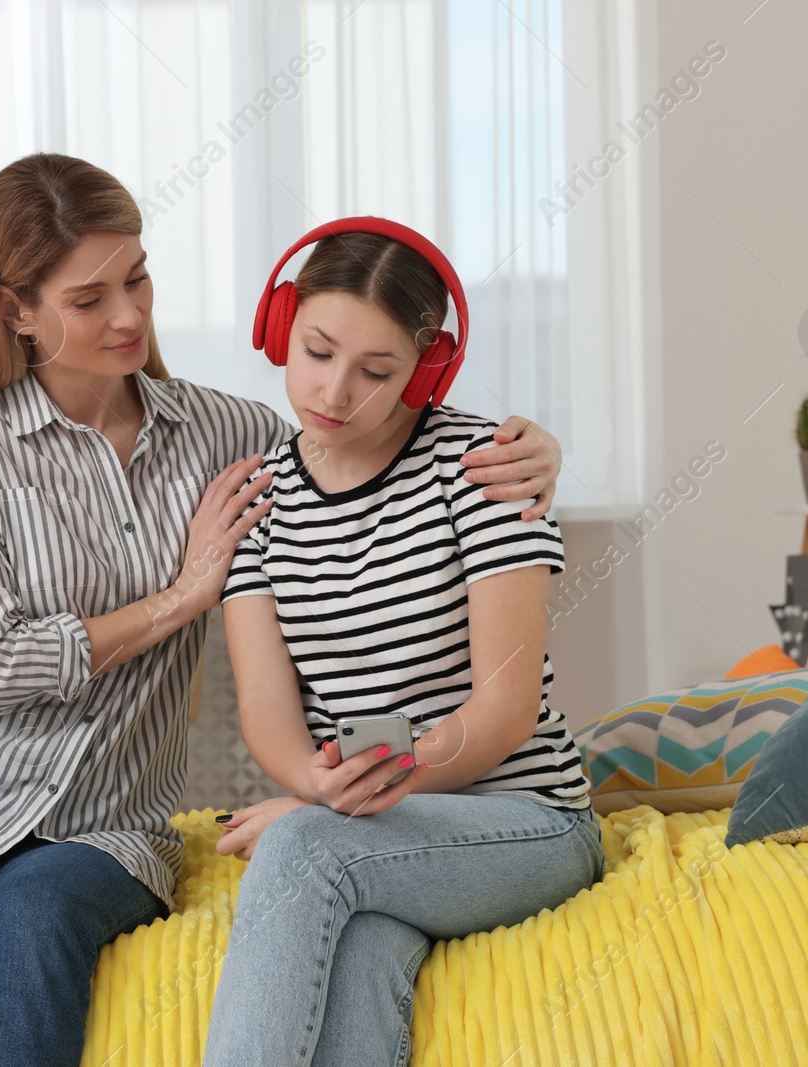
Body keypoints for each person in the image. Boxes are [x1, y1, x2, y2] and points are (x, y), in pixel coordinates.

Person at [0, 154, 569, 1067]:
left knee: (34, 918)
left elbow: (367, 438)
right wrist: (181, 599)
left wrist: (536, 446)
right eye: (89, 299)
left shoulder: (234, 441)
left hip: (107, 819)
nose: (129, 314)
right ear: (16, 310)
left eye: (136, 279)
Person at [201, 218, 604, 1067]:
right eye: (315, 351)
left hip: (524, 819)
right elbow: (269, 706)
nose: (336, 391)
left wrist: (333, 802)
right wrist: (320, 780)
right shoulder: (261, 499)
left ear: (426, 371)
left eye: (377, 371)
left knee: (306, 848)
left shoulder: (484, 469)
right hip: (382, 826)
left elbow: (503, 709)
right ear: (280, 329)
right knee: (362, 944)